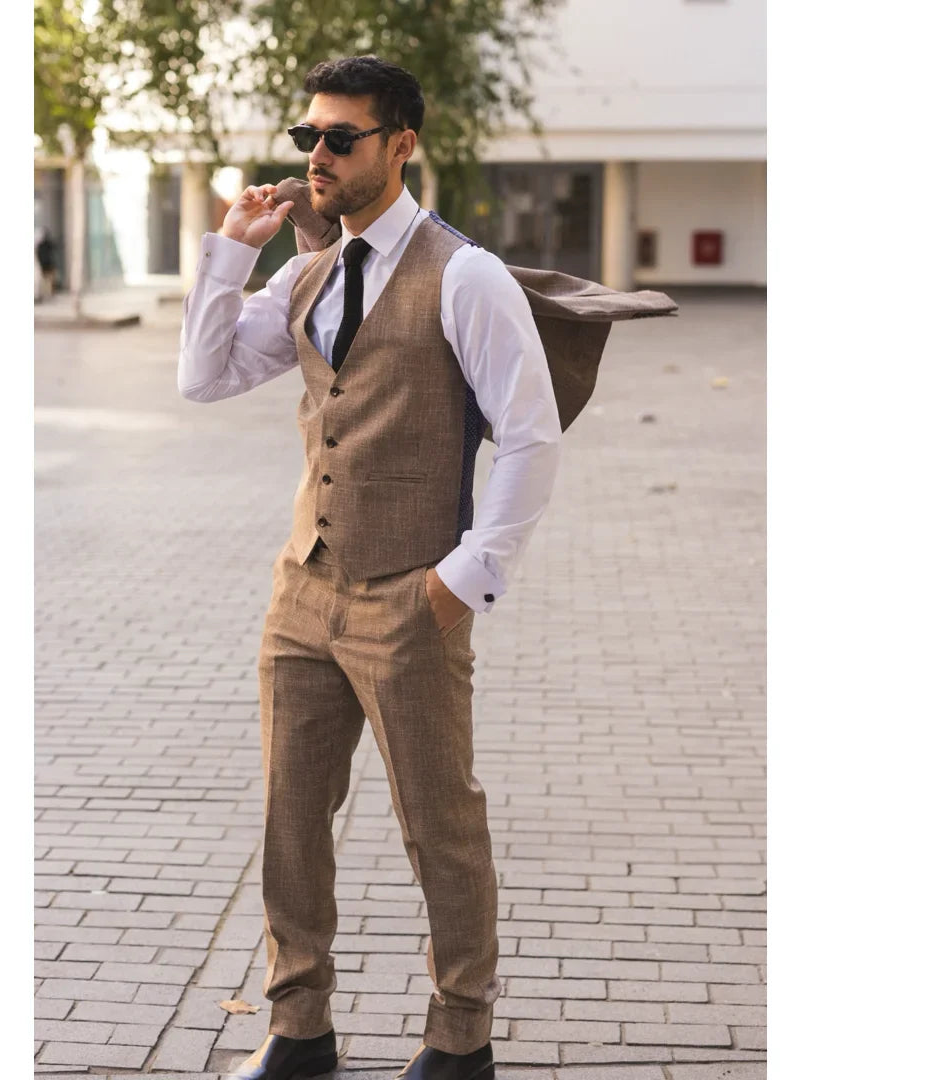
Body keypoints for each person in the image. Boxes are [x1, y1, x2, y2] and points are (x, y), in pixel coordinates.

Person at [178, 55, 562, 1080]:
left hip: (412, 594)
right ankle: (299, 1028)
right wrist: (231, 253)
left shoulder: (465, 274)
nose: (318, 156)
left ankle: (459, 1039)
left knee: (440, 824)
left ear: (401, 144)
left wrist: (462, 582)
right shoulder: (309, 267)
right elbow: (204, 376)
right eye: (309, 137)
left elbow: (531, 437)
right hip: (302, 588)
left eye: (340, 138)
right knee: (289, 818)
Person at [36, 227, 57, 301]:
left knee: (47, 280)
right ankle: (48, 293)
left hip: (45, 264)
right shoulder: (46, 244)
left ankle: (47, 293)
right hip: (47, 264)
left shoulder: (41, 245)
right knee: (49, 279)